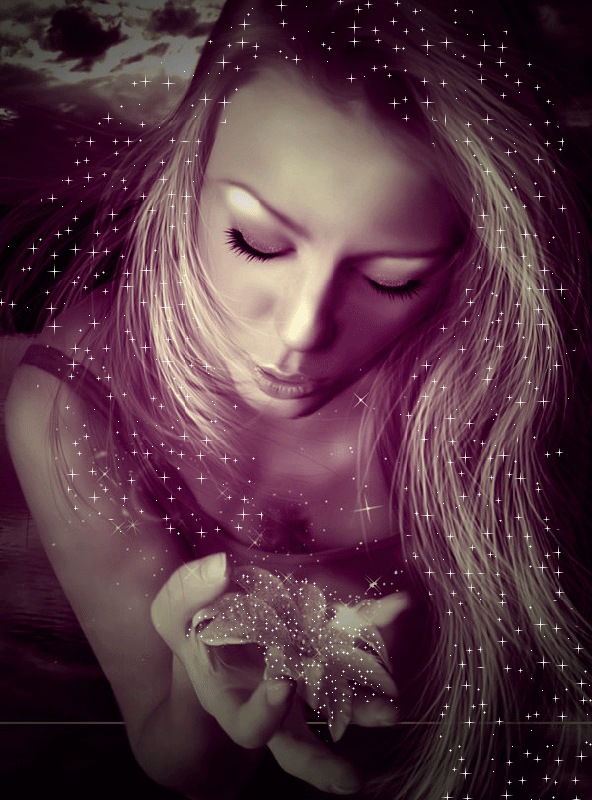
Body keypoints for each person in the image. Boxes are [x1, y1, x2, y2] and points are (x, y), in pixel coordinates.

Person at [1, 1, 591, 798]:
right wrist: (205, 697)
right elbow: (179, 761)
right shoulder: (76, 398)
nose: (303, 330)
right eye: (255, 242)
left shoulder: (505, 382)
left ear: (465, 263)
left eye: (393, 279)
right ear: (186, 178)